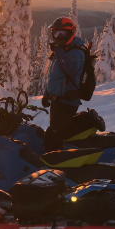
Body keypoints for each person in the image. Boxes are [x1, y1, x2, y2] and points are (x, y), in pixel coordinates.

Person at [42, 17, 86, 152]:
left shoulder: (75, 52)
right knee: (56, 131)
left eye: (62, 34)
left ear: (70, 33)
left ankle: (56, 163)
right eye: (55, 33)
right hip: (58, 101)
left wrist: (58, 51)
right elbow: (56, 77)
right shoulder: (63, 51)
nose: (58, 37)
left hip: (68, 102)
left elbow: (71, 69)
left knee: (54, 134)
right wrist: (47, 94)